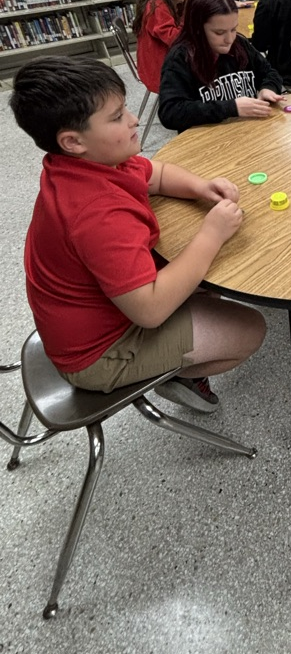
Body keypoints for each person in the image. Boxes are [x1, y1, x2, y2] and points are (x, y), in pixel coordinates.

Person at [10, 56, 266, 413]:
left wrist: (200, 186)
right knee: (250, 328)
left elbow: (155, 174)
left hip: (101, 314)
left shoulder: (92, 161)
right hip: (101, 353)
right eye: (117, 117)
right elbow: (150, 309)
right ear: (72, 141)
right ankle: (175, 375)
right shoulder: (98, 213)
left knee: (206, 272)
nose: (134, 119)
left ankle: (178, 350)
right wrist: (212, 234)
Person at [158, 0, 285, 134]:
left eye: (233, 29)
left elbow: (270, 72)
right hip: (207, 140)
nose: (229, 39)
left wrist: (268, 88)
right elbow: (170, 112)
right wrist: (231, 107)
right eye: (219, 33)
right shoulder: (180, 58)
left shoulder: (240, 45)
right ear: (198, 28)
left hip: (246, 134)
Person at [132, 0, 193, 93]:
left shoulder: (165, 1)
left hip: (159, 62)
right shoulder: (157, 6)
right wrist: (188, 18)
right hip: (158, 71)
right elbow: (173, 38)